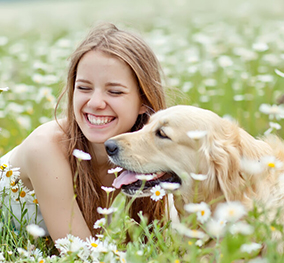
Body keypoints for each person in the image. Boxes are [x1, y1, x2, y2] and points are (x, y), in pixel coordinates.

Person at [0, 23, 167, 241]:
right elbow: (80, 256)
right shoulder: (45, 148)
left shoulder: (150, 154)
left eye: (114, 91)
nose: (95, 103)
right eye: (84, 88)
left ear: (144, 101)